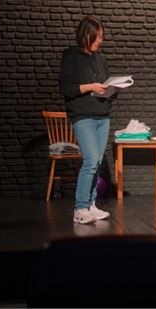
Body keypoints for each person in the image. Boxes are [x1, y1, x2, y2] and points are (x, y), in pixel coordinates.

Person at [59, 16, 114, 224]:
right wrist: (91, 86)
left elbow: (105, 85)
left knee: (97, 162)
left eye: (101, 37)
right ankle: (80, 208)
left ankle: (91, 205)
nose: (100, 40)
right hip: (83, 116)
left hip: (102, 115)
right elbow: (66, 88)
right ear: (86, 34)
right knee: (91, 160)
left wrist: (110, 89)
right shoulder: (71, 57)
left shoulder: (100, 59)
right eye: (97, 36)